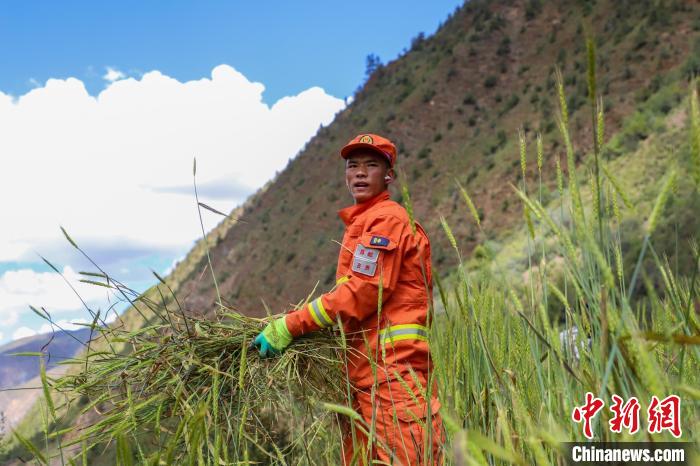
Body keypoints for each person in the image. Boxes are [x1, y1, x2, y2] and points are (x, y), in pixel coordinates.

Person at [253, 133, 443, 465]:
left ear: (388, 175)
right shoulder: (363, 223)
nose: (360, 173)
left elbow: (362, 292)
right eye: (353, 166)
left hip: (393, 379)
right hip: (364, 380)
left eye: (371, 165)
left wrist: (291, 325)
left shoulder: (386, 219)